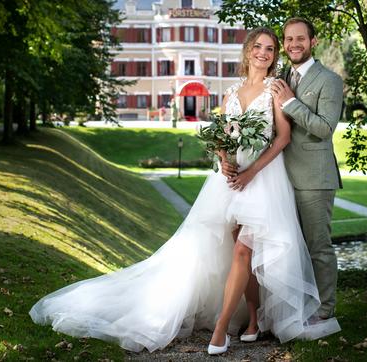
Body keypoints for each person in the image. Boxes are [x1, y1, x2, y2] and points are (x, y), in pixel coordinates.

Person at [29, 27, 339, 355]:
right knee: (238, 249)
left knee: (244, 251)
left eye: (271, 48)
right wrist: (223, 158)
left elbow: (283, 138)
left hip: (263, 180)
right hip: (229, 180)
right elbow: (223, 135)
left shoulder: (276, 89)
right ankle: (253, 320)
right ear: (248, 51)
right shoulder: (231, 91)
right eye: (259, 46)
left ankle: (220, 329)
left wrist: (250, 172)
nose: (264, 52)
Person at [226, 18, 343, 320]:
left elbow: (325, 128)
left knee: (318, 247)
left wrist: (291, 103)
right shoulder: (281, 77)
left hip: (313, 177)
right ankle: (291, 310)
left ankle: (325, 310)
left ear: (313, 41)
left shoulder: (328, 80)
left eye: (300, 39)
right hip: (278, 177)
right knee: (290, 249)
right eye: (289, 39)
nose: (294, 44)